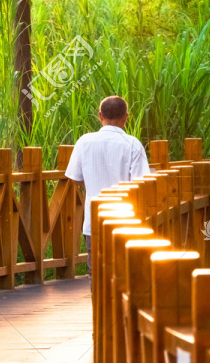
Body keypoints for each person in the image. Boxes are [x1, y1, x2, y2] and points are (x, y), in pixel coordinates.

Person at [64, 96, 150, 279]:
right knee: (125, 272)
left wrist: (94, 181)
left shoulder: (84, 142)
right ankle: (121, 307)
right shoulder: (133, 144)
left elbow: (75, 178)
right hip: (126, 220)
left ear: (100, 115)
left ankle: (97, 306)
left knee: (97, 273)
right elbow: (142, 184)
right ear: (126, 117)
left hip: (94, 221)